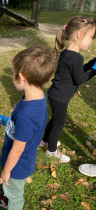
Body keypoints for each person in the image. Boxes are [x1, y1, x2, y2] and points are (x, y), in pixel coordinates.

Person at [0, 45, 56, 209]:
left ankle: (11, 202)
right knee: (11, 189)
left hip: (17, 167)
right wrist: (6, 120)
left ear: (20, 77)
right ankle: (6, 197)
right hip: (22, 161)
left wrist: (6, 171)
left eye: (12, 74)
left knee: (15, 195)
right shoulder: (35, 97)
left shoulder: (27, 115)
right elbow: (25, 128)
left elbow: (17, 149)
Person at [41, 16, 96, 163]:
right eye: (91, 37)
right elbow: (80, 79)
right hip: (60, 97)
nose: (91, 41)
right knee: (59, 123)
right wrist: (94, 70)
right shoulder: (75, 57)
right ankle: (52, 151)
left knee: (55, 120)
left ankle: (45, 140)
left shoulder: (68, 53)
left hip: (56, 94)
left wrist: (92, 63)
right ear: (79, 35)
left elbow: (77, 72)